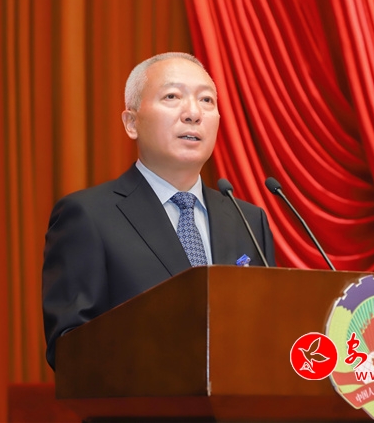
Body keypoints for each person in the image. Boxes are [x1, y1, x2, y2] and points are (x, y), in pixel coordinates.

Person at [42, 52, 276, 370]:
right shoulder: (88, 216)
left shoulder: (247, 219)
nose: (193, 113)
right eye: (172, 96)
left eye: (206, 100)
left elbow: (270, 329)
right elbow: (70, 348)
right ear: (132, 123)